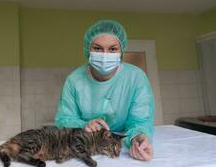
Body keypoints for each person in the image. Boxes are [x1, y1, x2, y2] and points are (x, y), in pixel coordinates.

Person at [55, 19, 155, 161]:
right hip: (88, 146)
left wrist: (139, 138)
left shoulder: (136, 77)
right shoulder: (74, 80)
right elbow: (65, 119)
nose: (104, 55)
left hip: (122, 147)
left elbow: (140, 120)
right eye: (97, 48)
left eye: (113, 49)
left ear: (121, 52)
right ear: (88, 50)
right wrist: (84, 126)